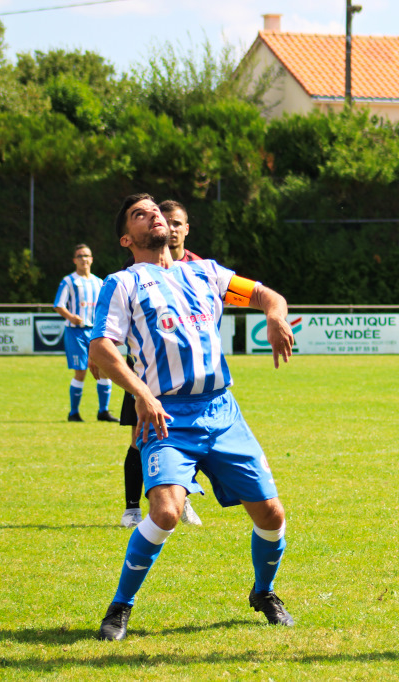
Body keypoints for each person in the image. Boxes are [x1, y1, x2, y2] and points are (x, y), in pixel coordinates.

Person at [90, 193, 296, 639]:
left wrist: (276, 316)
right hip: (167, 417)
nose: (154, 217)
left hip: (222, 412)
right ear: (128, 237)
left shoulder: (205, 273)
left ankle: (264, 592)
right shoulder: (123, 283)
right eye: (140, 215)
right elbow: (102, 347)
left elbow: (266, 295)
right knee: (165, 512)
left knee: (272, 515)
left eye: (157, 211)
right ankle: (119, 607)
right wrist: (142, 394)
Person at [118, 199, 203, 529]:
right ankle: (131, 507)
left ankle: (183, 502)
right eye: (167, 221)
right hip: (145, 371)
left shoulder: (199, 268)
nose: (172, 227)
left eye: (178, 223)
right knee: (139, 438)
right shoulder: (136, 266)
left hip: (189, 374)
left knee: (190, 439)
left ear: (185, 229)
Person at [53, 244, 117, 423]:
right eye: (80, 256)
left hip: (96, 333)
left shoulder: (99, 282)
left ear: (92, 259)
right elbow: (58, 304)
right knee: (81, 372)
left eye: (86, 256)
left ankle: (103, 411)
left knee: (104, 369)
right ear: (75, 260)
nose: (84, 259)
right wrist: (71, 317)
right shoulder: (69, 281)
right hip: (76, 332)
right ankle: (73, 413)